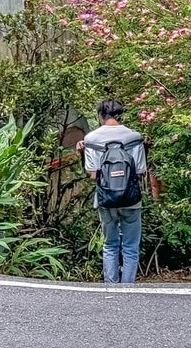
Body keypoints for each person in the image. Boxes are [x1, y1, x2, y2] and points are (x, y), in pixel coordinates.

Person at [77, 99, 147, 284]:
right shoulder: (134, 137)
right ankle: (127, 288)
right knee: (131, 247)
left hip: (105, 199)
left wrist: (81, 154)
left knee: (110, 245)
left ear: (100, 115)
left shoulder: (91, 139)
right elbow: (140, 172)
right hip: (131, 200)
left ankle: (111, 287)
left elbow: (93, 175)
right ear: (120, 115)